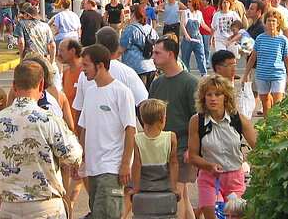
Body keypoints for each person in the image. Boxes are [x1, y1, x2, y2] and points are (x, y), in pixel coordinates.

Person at [0, 61, 82, 219]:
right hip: (45, 207)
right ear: (41, 85)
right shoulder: (48, 120)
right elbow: (73, 156)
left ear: (14, 86)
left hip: (8, 207)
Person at [79, 44, 137, 219]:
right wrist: (81, 159)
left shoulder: (121, 92)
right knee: (97, 213)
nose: (83, 70)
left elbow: (130, 129)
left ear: (101, 65)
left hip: (111, 167)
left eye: (86, 65)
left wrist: (126, 163)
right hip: (93, 167)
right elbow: (84, 128)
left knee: (108, 214)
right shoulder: (89, 92)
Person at [187, 74, 257, 219]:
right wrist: (209, 165)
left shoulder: (238, 119)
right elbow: (193, 156)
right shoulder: (197, 121)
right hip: (209, 178)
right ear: (203, 98)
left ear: (226, 97)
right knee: (214, 216)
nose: (213, 98)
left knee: (237, 215)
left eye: (218, 94)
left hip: (235, 177)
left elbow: (258, 147)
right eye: (209, 95)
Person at [148, 37, 199, 219]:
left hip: (183, 147)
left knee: (176, 194)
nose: (153, 56)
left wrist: (193, 149)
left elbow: (198, 119)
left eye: (157, 53)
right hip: (163, 147)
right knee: (182, 195)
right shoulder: (157, 83)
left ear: (170, 55)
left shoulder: (190, 82)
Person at [243, 10, 288, 117]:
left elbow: (287, 60)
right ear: (265, 23)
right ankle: (267, 128)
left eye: (274, 21)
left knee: (277, 104)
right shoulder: (260, 39)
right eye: (269, 21)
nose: (271, 23)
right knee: (266, 104)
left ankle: (277, 129)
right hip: (262, 75)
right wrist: (245, 75)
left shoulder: (283, 40)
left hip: (278, 74)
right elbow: (252, 58)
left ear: (278, 23)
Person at [131, 98, 179, 200]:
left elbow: (136, 165)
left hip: (145, 187)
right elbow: (173, 163)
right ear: (162, 119)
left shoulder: (137, 139)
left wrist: (135, 188)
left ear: (142, 119)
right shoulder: (170, 137)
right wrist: (174, 187)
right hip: (165, 187)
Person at [119, 4, 158, 86]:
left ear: (133, 14)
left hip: (136, 67)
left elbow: (121, 49)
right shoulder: (149, 28)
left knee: (138, 96)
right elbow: (157, 42)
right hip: (150, 66)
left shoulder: (130, 29)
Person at [180, 0, 207, 75]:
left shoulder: (199, 13)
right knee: (185, 57)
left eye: (190, 2)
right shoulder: (185, 13)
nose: (188, 3)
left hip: (197, 37)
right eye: (188, 1)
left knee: (201, 55)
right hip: (188, 38)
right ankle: (186, 74)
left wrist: (211, 31)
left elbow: (203, 24)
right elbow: (182, 25)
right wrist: (186, 35)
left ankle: (204, 73)